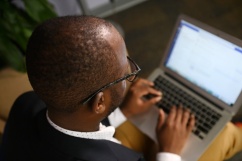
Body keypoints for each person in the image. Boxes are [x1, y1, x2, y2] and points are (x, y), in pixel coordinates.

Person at [1, 15, 242, 161]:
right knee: (227, 134)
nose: (131, 76)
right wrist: (168, 151)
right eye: (126, 74)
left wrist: (122, 113)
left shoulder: (26, 103)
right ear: (99, 103)